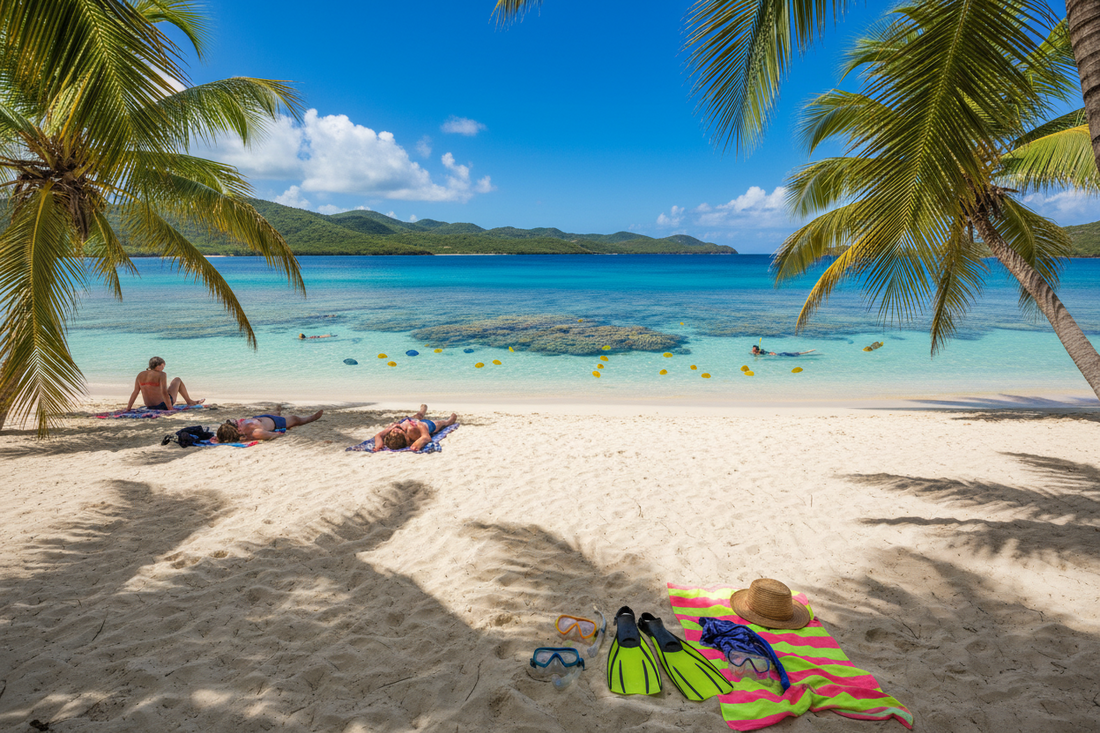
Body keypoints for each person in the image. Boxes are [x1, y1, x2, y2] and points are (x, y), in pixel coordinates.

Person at [126, 357, 204, 411]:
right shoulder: (162, 374)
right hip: (162, 405)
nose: (163, 368)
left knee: (168, 387)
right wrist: (170, 408)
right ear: (160, 365)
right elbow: (164, 392)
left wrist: (128, 408)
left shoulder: (140, 374)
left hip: (149, 406)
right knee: (177, 380)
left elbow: (135, 392)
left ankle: (189, 401)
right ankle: (189, 401)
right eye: (163, 366)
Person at [373, 404, 457, 452]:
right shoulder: (411, 431)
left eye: (392, 432)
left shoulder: (395, 429)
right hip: (427, 425)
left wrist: (378, 446)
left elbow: (378, 435)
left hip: (413, 421)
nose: (394, 430)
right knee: (441, 423)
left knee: (418, 416)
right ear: (404, 435)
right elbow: (426, 436)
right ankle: (450, 421)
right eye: (397, 432)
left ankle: (423, 410)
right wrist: (419, 441)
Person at [215, 409, 324, 443]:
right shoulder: (254, 433)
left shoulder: (239, 426)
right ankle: (312, 418)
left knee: (275, 413)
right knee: (296, 419)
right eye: (237, 427)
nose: (238, 424)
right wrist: (280, 432)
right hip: (276, 423)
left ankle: (278, 408)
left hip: (261, 417)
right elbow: (273, 435)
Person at [751, 345, 817, 357]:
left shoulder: (761, 352)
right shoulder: (758, 352)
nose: (752, 350)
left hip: (780, 354)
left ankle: (807, 352)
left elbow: (768, 353)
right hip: (780, 354)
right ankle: (806, 352)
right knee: (794, 354)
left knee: (795, 354)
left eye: (753, 349)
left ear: (756, 350)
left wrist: (773, 354)